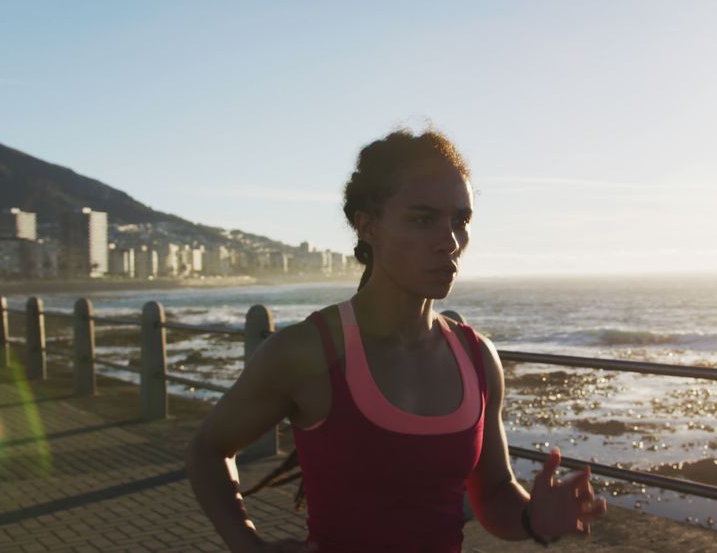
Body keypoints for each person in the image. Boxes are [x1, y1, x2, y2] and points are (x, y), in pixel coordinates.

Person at [185, 129, 607, 552]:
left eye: (460, 220)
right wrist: (247, 543)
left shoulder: (477, 357)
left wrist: (534, 517)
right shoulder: (307, 352)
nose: (451, 241)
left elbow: (494, 494)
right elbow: (209, 449)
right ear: (367, 226)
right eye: (423, 219)